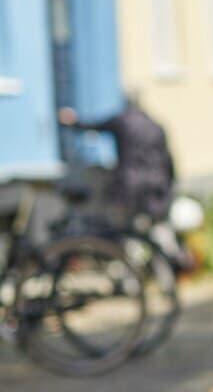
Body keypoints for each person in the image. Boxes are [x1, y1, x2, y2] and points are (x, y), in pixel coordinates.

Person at [58, 96, 193, 272]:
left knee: (128, 234)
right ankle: (169, 269)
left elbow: (96, 127)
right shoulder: (156, 126)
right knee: (159, 231)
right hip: (157, 188)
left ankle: (132, 275)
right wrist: (170, 187)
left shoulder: (123, 121)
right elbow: (169, 161)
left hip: (130, 188)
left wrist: (72, 121)